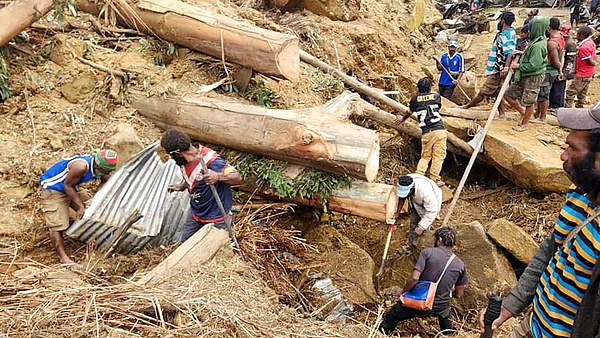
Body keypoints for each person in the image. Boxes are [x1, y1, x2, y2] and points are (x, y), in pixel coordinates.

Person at [476, 102, 600, 337]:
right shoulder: (581, 192)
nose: (563, 155)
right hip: (532, 325)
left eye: (573, 149)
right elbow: (551, 249)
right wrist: (511, 304)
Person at [379, 227, 468, 336]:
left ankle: (380, 333)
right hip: (440, 306)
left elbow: (414, 279)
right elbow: (459, 294)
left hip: (418, 302)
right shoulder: (460, 264)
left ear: (439, 240)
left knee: (391, 316)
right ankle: (448, 333)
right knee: (446, 316)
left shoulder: (427, 253)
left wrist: (403, 292)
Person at [39, 149, 118, 268]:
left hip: (71, 187)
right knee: (57, 224)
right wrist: (80, 207)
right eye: (105, 171)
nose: (106, 173)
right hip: (52, 188)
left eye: (109, 171)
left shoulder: (102, 168)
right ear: (97, 165)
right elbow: (67, 186)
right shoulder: (81, 166)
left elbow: (104, 181)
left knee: (92, 209)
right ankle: (63, 258)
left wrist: (95, 200)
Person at [160, 128, 242, 241]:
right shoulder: (183, 161)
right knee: (186, 243)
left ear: (177, 153)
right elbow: (191, 177)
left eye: (171, 156)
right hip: (196, 212)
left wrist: (218, 176)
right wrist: (182, 186)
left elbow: (237, 177)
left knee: (215, 247)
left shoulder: (211, 160)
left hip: (216, 215)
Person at [457, 11, 517, 120]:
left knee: (484, 91)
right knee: (498, 92)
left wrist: (506, 67)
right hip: (498, 68)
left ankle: (467, 106)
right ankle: (502, 114)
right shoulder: (506, 33)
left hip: (497, 69)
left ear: (503, 20)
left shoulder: (507, 35)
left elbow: (510, 52)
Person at [395, 77, 447, 187]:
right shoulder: (436, 97)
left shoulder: (415, 99)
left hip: (426, 132)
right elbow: (437, 107)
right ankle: (434, 179)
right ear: (430, 87)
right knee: (438, 156)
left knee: (425, 156)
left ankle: (419, 175)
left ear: (418, 88)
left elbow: (409, 112)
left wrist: (402, 119)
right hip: (439, 129)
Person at [503, 16, 549, 132]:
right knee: (508, 94)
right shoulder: (536, 41)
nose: (528, 31)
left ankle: (524, 123)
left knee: (529, 100)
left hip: (533, 76)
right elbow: (532, 56)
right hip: (524, 75)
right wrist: (522, 53)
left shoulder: (538, 45)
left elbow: (534, 65)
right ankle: (523, 112)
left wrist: (518, 66)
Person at [392, 174, 443, 252]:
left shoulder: (426, 193)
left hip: (431, 203)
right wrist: (397, 212)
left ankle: (423, 250)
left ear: (411, 189)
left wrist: (421, 227)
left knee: (424, 228)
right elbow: (402, 198)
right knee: (413, 223)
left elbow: (432, 211)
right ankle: (410, 246)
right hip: (416, 201)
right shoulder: (405, 181)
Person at [532, 17, 564, 123]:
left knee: (543, 95)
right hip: (553, 71)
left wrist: (559, 69)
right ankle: (539, 114)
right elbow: (562, 56)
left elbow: (554, 60)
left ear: (549, 28)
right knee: (543, 94)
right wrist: (560, 69)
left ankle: (542, 117)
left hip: (549, 71)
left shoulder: (551, 43)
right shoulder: (561, 38)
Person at [564, 26, 596, 108]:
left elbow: (591, 62)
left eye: (578, 34)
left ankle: (567, 109)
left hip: (582, 74)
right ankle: (580, 108)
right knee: (582, 94)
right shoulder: (590, 42)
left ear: (582, 36)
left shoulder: (584, 47)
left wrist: (593, 62)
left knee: (570, 92)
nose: (576, 36)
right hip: (589, 73)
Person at [550, 25, 577, 112]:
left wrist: (564, 74)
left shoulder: (570, 44)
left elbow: (570, 61)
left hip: (563, 71)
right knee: (554, 89)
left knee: (559, 90)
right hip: (558, 69)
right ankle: (553, 105)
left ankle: (558, 107)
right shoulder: (562, 41)